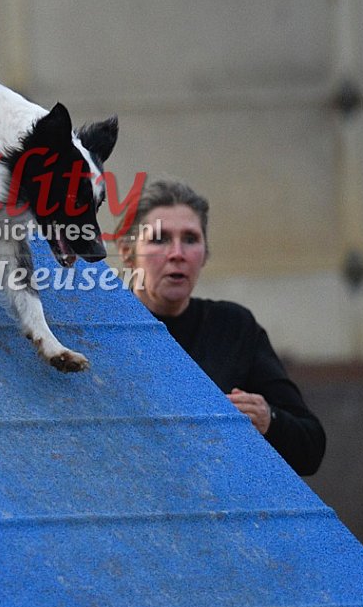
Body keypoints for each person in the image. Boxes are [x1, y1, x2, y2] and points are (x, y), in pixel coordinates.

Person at [116, 178, 326, 475]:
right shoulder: (103, 329)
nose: (177, 253)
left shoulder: (234, 327)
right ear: (127, 252)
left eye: (190, 239)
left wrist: (268, 419)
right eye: (159, 239)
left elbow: (310, 448)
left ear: (205, 254)